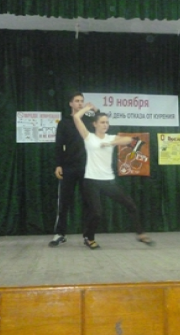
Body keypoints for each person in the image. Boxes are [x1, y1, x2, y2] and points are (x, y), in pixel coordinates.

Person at [73, 102, 155, 249]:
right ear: (94, 124)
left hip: (108, 181)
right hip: (91, 180)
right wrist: (87, 108)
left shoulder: (111, 138)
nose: (105, 125)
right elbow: (76, 117)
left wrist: (111, 143)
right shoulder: (88, 137)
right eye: (102, 122)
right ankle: (89, 237)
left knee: (131, 205)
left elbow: (135, 142)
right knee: (96, 212)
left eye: (107, 122)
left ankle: (140, 234)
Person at [49, 92, 91, 247]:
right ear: (70, 104)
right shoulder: (64, 123)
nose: (80, 103)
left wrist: (94, 110)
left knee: (89, 202)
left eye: (82, 101)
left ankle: (88, 235)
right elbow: (58, 145)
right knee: (64, 202)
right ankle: (60, 233)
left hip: (87, 167)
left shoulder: (89, 121)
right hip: (68, 167)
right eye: (77, 101)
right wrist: (58, 165)